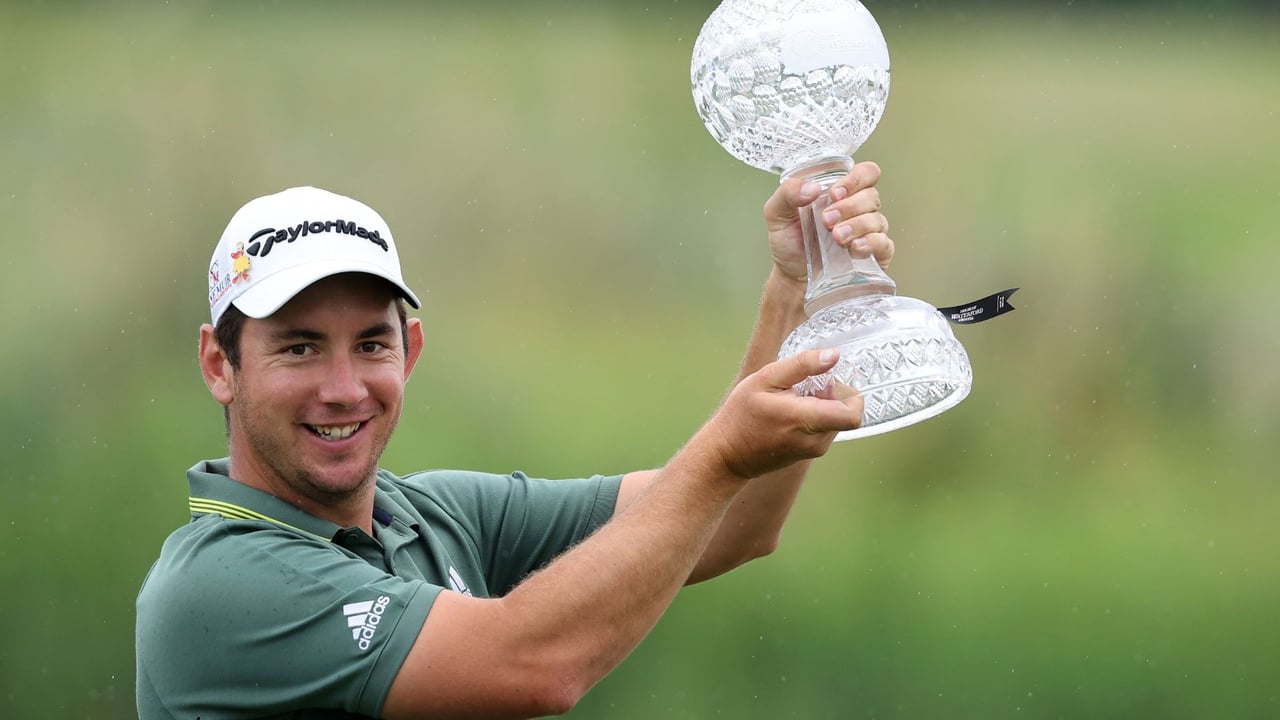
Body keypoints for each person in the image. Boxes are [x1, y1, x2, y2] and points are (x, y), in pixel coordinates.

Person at [135, 162, 894, 719]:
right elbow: (532, 666)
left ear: (413, 350)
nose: (343, 387)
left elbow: (728, 523)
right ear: (219, 364)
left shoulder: (435, 514)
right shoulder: (217, 589)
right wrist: (725, 451)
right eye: (299, 349)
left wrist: (796, 288)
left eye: (371, 344)